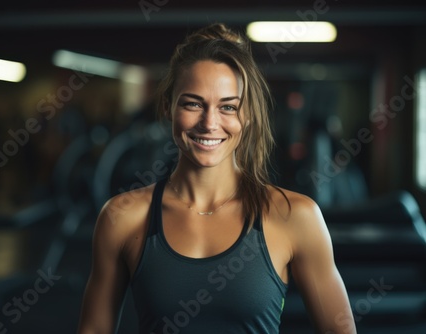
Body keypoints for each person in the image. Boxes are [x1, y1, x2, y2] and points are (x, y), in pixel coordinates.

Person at [77, 23, 356, 334]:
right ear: (169, 106)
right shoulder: (123, 217)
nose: (210, 123)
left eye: (228, 107)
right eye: (193, 103)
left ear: (246, 115)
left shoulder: (295, 216)